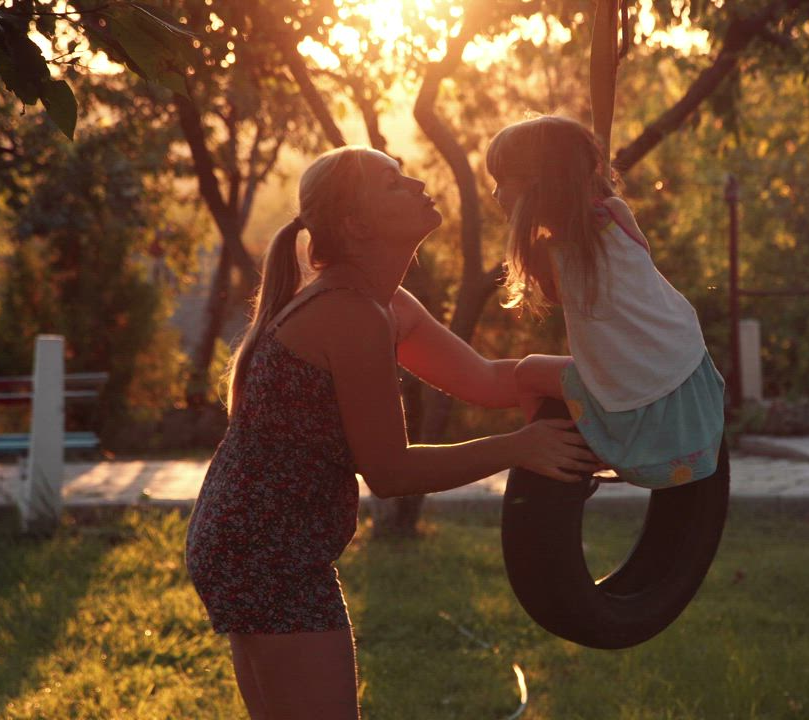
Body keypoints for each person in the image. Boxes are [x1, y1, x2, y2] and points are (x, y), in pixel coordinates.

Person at [184, 146, 599, 720]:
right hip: (265, 548)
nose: (417, 184)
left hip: (252, 539)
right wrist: (518, 448)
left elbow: (484, 380)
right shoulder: (349, 312)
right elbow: (389, 472)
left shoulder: (383, 303)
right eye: (393, 184)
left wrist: (601, 376)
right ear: (355, 226)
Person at [485, 115, 726, 490]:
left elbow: (554, 297)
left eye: (502, 182)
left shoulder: (549, 257)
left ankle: (562, 456)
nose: (496, 194)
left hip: (633, 414)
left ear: (536, 188)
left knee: (527, 374)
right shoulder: (618, 215)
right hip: (690, 382)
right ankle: (589, 443)